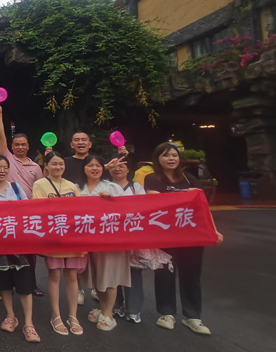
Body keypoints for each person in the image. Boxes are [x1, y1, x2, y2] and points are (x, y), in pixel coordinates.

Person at [145, 143, 223, 335]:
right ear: (158, 159)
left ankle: (193, 316)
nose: (171, 159)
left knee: (191, 275)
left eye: (174, 155)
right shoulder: (152, 179)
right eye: (166, 155)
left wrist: (214, 230)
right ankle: (166, 313)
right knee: (165, 274)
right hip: (165, 235)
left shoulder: (190, 179)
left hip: (191, 235)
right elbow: (157, 202)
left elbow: (202, 207)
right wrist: (184, 197)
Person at [0, 155, 40, 343]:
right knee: (4, 282)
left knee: (25, 283)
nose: (2, 171)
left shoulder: (16, 188)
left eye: (5, 167)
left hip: (20, 244)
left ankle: (29, 323)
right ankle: (10, 315)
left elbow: (28, 209)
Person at [109, 159, 168, 324]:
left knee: (133, 273)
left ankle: (133, 309)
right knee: (113, 272)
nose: (118, 169)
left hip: (132, 236)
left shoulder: (136, 187)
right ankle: (115, 305)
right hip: (111, 236)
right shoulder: (105, 186)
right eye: (114, 167)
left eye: (122, 166)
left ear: (128, 169)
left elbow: (144, 208)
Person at [32, 151, 84, 336]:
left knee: (72, 276)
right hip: (53, 237)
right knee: (54, 276)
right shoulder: (39, 184)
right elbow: (38, 209)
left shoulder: (72, 186)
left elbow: (81, 210)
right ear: (46, 165)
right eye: (54, 163)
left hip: (72, 237)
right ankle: (56, 315)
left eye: (61, 163)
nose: (58, 167)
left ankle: (73, 316)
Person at [0, 103, 44, 296]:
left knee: (30, 250)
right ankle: (1, 285)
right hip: (7, 213)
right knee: (5, 249)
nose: (20, 147)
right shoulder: (7, 158)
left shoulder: (36, 167)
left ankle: (31, 283)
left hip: (28, 214)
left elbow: (40, 189)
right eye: (17, 145)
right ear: (12, 147)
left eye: (23, 144)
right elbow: (1, 135)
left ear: (28, 146)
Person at [79, 154, 130, 332]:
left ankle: (109, 314)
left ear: (103, 168)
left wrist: (112, 201)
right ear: (84, 169)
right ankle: (102, 308)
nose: (94, 169)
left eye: (98, 166)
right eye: (90, 165)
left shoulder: (112, 187)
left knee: (110, 277)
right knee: (97, 276)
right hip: (88, 241)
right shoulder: (78, 188)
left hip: (110, 241)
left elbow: (127, 211)